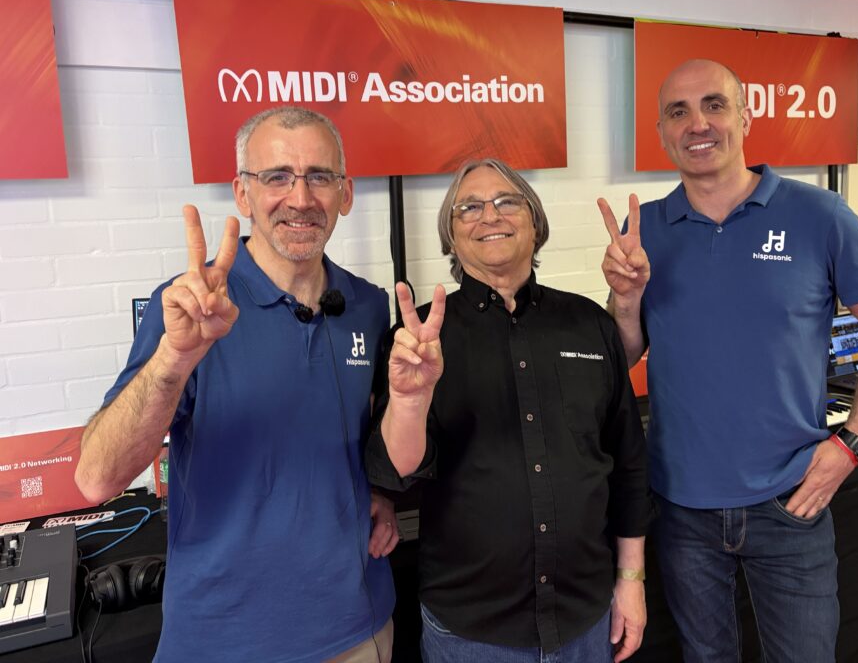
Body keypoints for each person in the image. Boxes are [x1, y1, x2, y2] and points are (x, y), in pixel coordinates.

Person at [598, 59, 858, 661]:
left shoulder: (818, 215)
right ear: (663, 134)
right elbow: (623, 357)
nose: (698, 123)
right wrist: (626, 298)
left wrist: (854, 443)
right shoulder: (647, 234)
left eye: (714, 105)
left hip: (792, 501)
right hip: (682, 506)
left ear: (745, 116)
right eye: (678, 112)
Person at [75, 107, 401, 663]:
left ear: (345, 193)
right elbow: (95, 478)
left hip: (357, 627)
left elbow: (369, 435)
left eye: (319, 176)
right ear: (242, 195)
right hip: (224, 637)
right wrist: (174, 360)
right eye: (276, 176)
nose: (300, 198)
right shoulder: (190, 307)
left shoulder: (367, 306)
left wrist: (378, 492)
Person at [366, 158, 653, 663]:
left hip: (584, 617)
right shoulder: (420, 341)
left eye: (506, 202)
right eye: (468, 208)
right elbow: (397, 473)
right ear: (451, 238)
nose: (489, 215)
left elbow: (627, 463)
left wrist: (631, 579)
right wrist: (410, 401)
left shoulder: (589, 323)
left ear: (534, 221)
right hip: (471, 629)